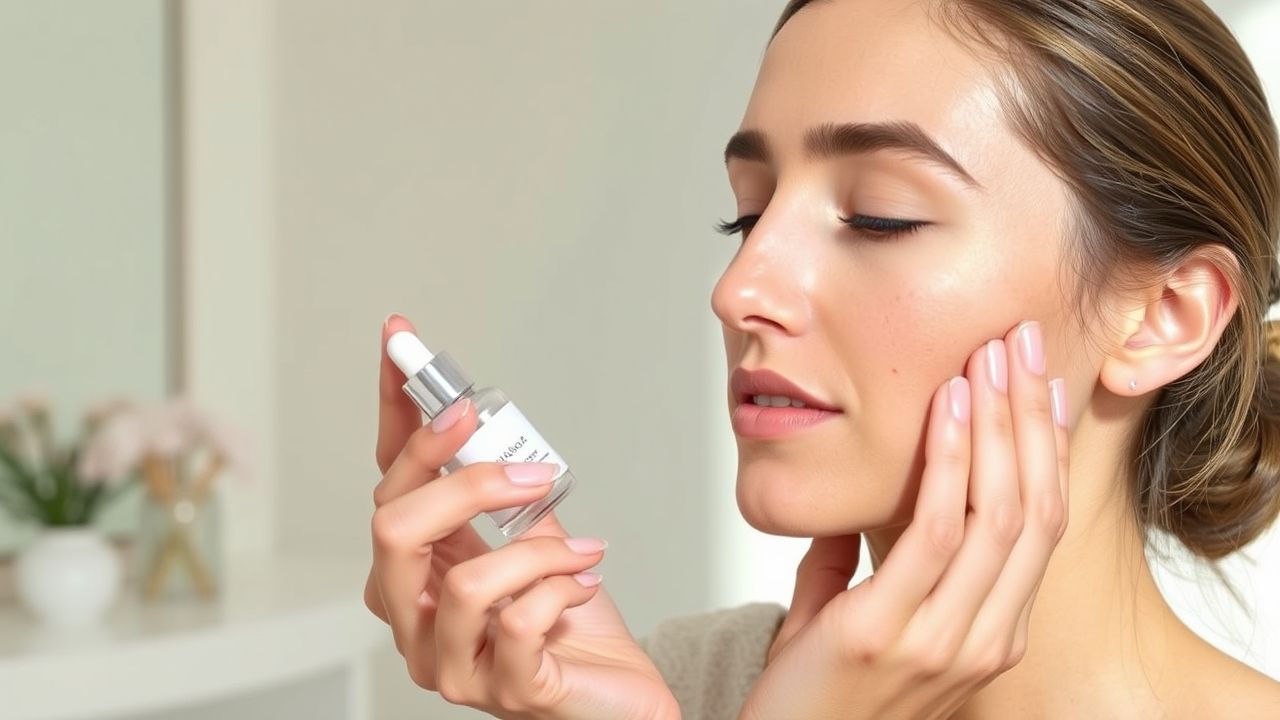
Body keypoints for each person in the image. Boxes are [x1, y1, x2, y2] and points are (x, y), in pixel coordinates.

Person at [362, 0, 1280, 717]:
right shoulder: (672, 686)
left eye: (880, 214)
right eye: (749, 213)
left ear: (1165, 315)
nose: (738, 288)